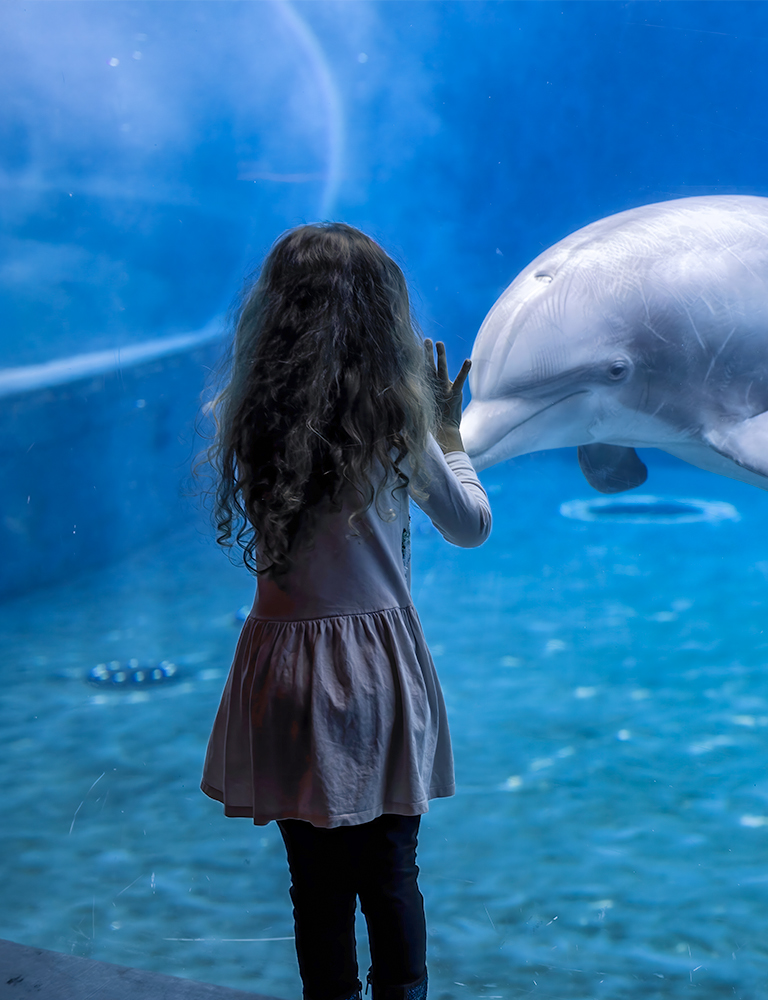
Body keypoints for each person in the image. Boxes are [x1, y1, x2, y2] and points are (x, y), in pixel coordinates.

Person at [200, 223, 491, 1000]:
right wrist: (449, 436)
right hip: (371, 678)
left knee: (316, 889)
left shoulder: (245, 412)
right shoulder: (396, 423)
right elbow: (470, 526)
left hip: (282, 675)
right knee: (391, 878)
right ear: (381, 319)